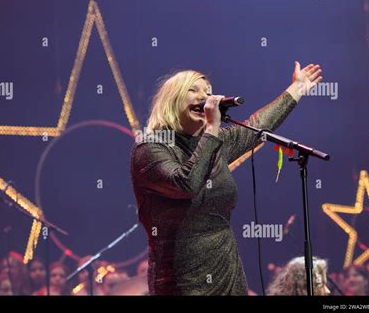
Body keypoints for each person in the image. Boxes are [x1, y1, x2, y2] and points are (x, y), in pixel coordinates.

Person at [130, 63, 322, 295]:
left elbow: (257, 125)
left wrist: (297, 88)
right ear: (172, 99)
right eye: (194, 90)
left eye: (208, 92)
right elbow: (186, 184)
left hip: (226, 270)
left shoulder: (215, 144)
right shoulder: (150, 148)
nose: (205, 97)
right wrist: (212, 128)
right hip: (181, 279)